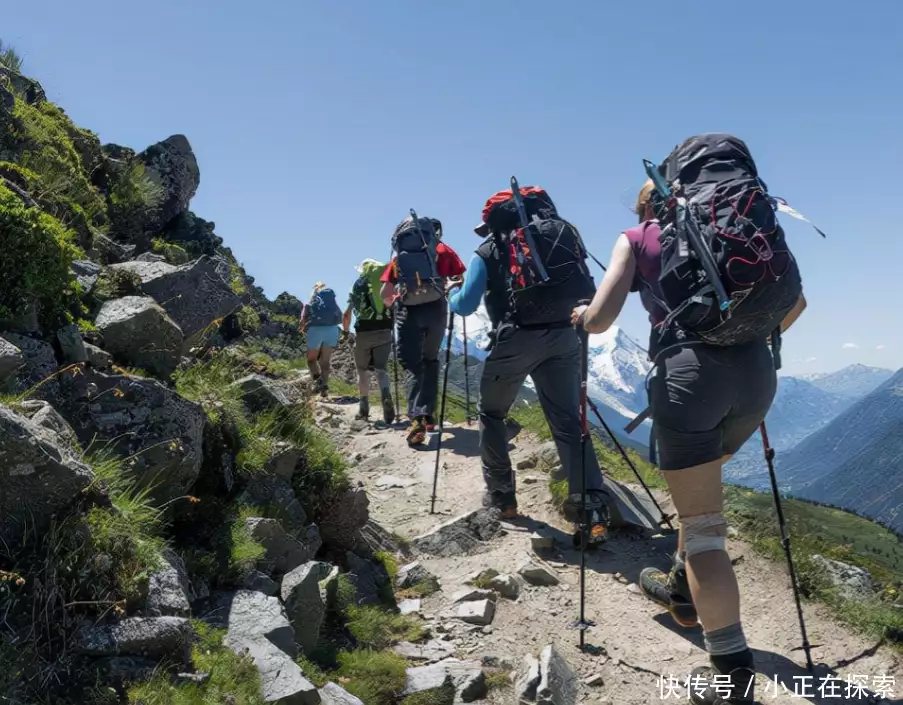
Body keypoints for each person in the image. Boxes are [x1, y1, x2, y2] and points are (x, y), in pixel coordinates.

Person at [572, 178, 807, 705]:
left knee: (702, 528)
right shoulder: (742, 231)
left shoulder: (637, 238)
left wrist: (581, 316)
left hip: (690, 379)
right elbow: (796, 305)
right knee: (699, 501)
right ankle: (682, 590)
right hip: (756, 376)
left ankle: (732, 672)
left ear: (646, 205)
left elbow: (602, 318)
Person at [447, 185, 610, 523]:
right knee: (567, 421)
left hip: (516, 338)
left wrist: (451, 294)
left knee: (491, 413)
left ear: (494, 220)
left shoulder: (488, 251)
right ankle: (592, 507)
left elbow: (465, 305)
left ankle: (502, 498)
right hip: (565, 334)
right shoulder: (561, 236)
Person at [380, 215, 465, 447]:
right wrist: (447, 288)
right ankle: (429, 416)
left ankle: (417, 417)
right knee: (430, 360)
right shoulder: (443, 251)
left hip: (408, 312)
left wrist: (396, 302)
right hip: (436, 310)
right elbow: (460, 279)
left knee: (412, 364)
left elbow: (385, 294)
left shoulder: (400, 258)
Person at [343, 258, 396, 424]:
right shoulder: (384, 281)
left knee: (362, 370)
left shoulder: (358, 285)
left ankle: (363, 407)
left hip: (363, 332)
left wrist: (345, 332)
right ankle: (386, 397)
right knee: (381, 369)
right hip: (385, 331)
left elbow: (347, 314)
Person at [300, 281, 343, 398]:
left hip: (316, 330)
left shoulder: (310, 303)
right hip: (332, 330)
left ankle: (318, 381)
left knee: (311, 360)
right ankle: (324, 388)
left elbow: (303, 318)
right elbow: (340, 316)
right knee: (325, 362)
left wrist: (303, 327)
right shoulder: (331, 303)